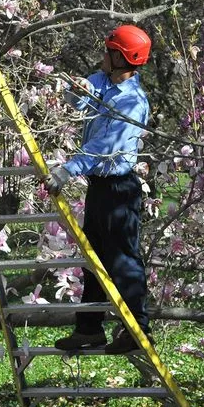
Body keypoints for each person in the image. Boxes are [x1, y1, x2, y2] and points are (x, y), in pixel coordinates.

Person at [47, 25, 152, 354]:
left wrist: (68, 170)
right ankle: (89, 328)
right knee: (92, 260)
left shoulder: (132, 103)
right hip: (100, 188)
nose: (102, 56)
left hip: (119, 189)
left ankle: (138, 329)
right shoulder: (104, 81)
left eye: (108, 51)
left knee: (122, 261)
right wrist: (75, 89)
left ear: (121, 58)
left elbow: (106, 146)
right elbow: (77, 99)